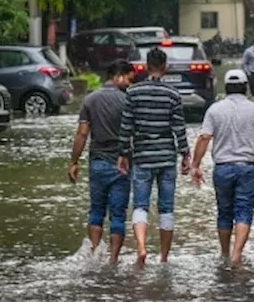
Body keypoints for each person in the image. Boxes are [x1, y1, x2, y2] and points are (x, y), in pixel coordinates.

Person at [191, 69, 254, 266]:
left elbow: (204, 138)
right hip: (248, 169)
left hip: (222, 169)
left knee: (224, 212)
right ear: (246, 87)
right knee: (244, 211)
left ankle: (224, 254)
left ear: (226, 87)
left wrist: (195, 166)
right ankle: (237, 254)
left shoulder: (214, 110)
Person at [117, 47, 189, 266]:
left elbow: (126, 125)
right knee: (166, 208)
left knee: (140, 205)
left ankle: (141, 247)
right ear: (165, 68)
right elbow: (179, 127)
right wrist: (185, 154)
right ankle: (165, 258)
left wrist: (123, 153)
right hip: (167, 158)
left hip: (142, 157)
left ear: (146, 67)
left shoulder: (133, 93)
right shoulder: (173, 94)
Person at [68, 60, 135, 263]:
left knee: (96, 210)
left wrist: (74, 161)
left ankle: (96, 252)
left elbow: (82, 134)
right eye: (129, 79)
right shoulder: (128, 101)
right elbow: (135, 134)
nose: (131, 85)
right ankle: (113, 259)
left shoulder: (90, 100)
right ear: (118, 76)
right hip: (121, 164)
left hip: (97, 163)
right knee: (118, 214)